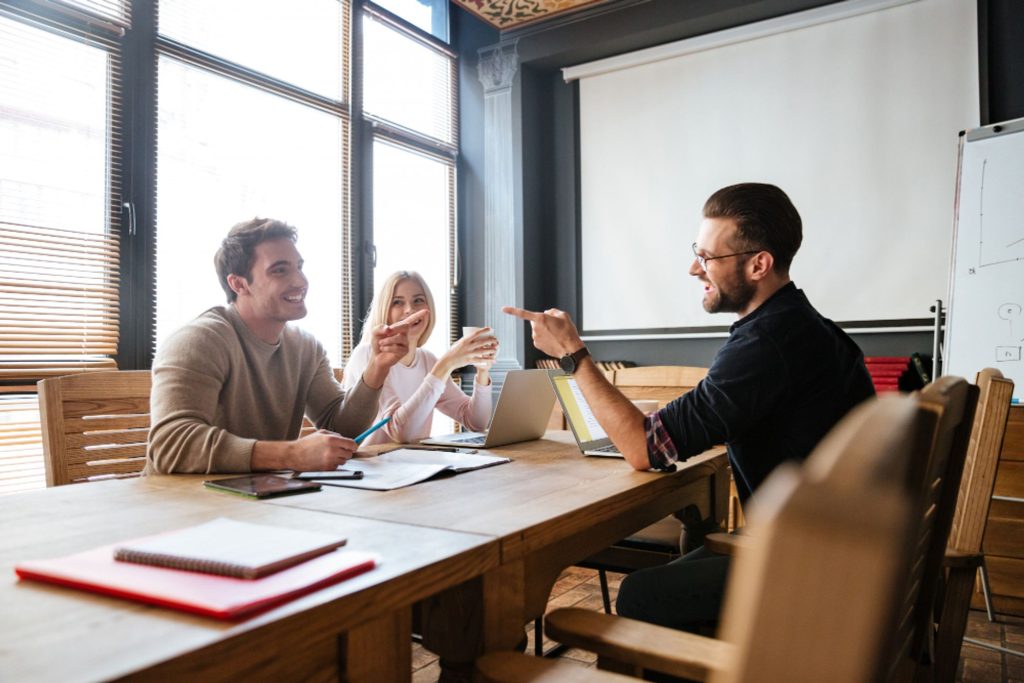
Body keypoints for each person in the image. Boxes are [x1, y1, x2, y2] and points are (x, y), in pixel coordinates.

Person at [504, 182, 874, 633]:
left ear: (759, 264)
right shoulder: (809, 329)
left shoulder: (766, 344)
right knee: (685, 561)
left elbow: (644, 448)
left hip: (809, 562)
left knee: (642, 595)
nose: (693, 268)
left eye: (708, 258)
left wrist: (573, 355)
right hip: (839, 545)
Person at [146, 218, 424, 475]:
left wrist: (377, 366)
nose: (300, 281)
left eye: (299, 267)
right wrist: (290, 454)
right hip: (186, 507)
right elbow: (170, 445)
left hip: (264, 501)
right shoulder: (199, 341)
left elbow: (342, 429)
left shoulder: (305, 347)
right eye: (280, 270)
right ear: (239, 283)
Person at [341, 270, 498, 446]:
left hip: (414, 464)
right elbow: (400, 433)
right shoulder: (368, 355)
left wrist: (482, 371)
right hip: (372, 467)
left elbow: (475, 422)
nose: (409, 310)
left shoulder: (427, 360)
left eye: (418, 300)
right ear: (385, 311)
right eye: (397, 302)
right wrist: (446, 364)